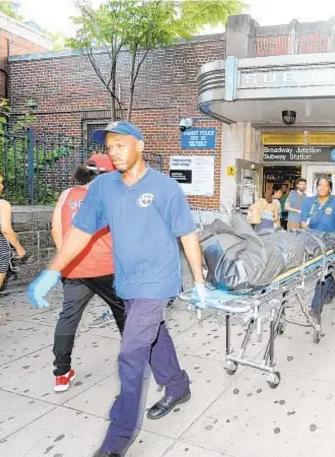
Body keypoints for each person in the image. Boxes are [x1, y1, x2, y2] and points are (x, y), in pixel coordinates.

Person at [26, 121, 207, 457]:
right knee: (154, 335)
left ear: (139, 144)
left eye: (121, 144)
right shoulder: (103, 188)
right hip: (125, 280)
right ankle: (178, 385)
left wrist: (199, 282)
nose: (113, 151)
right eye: (109, 146)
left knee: (130, 353)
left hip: (157, 280)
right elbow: (80, 233)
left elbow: (187, 234)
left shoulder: (166, 188)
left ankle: (117, 440)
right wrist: (52, 271)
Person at [50, 156, 126, 392]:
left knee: (68, 318)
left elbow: (55, 228)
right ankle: (135, 362)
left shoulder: (67, 194)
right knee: (125, 314)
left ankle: (61, 374)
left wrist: (66, 258)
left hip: (74, 268)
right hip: (106, 268)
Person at [301, 176, 335, 316]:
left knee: (323, 271)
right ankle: (331, 292)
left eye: (325, 185)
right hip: (313, 243)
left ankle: (316, 306)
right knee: (326, 270)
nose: (322, 188)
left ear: (330, 188)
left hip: (330, 244)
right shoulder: (309, 202)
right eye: (319, 185)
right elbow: (303, 222)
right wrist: (307, 232)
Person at [0, 170, 26, 333]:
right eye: (0, 182)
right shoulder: (1, 204)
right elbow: (6, 230)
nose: (2, 186)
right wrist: (19, 248)